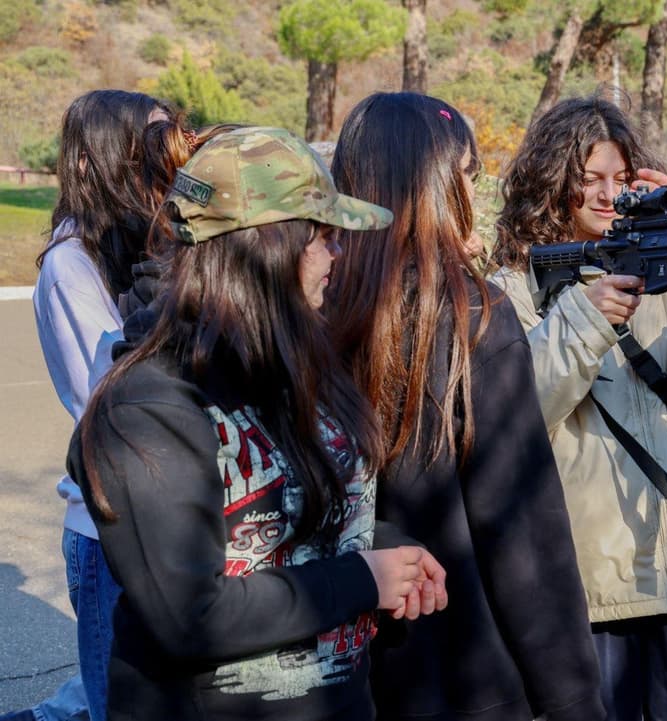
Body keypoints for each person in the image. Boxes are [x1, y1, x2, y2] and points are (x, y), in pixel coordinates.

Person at [67, 125, 447, 721]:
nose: (338, 254)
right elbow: (186, 614)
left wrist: (383, 547)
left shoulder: (298, 362)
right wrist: (359, 578)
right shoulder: (144, 408)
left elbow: (292, 529)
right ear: (265, 247)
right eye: (323, 236)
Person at [326, 92, 603, 721]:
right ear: (439, 183)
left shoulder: (311, 308)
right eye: (470, 176)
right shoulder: (470, 315)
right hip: (465, 673)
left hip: (336, 665)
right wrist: (574, 698)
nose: (475, 195)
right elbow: (522, 529)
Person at [491, 95, 667, 721]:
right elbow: (520, 410)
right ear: (551, 184)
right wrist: (584, 317)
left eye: (621, 178)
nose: (609, 195)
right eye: (589, 179)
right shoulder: (512, 289)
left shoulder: (659, 272)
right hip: (590, 590)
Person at [26, 89, 173, 721]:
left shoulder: (141, 249)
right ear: (105, 159)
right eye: (153, 145)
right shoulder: (71, 265)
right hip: (109, 527)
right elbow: (112, 397)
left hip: (161, 518)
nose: (168, 158)